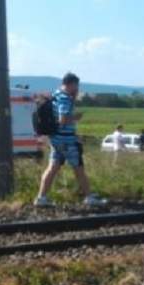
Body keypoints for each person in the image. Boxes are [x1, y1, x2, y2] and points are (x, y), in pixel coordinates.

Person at [34, 73, 106, 207]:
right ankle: (89, 197)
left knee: (52, 168)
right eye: (76, 85)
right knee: (78, 167)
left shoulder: (56, 94)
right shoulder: (65, 98)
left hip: (56, 138)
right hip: (66, 139)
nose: (77, 88)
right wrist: (76, 118)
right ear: (71, 84)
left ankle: (41, 198)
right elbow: (62, 120)